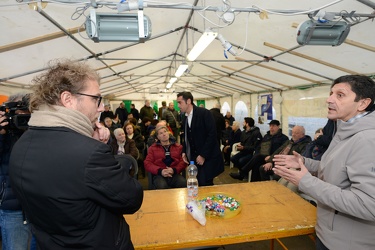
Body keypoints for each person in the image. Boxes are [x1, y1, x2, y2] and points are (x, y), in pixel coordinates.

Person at [9, 59, 143, 249]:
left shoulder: (21, 145)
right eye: (95, 98)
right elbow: (131, 199)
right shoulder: (89, 153)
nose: (101, 108)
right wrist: (100, 151)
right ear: (68, 99)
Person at [273, 75, 375, 250]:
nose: (329, 99)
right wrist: (304, 162)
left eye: (340, 95)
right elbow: (339, 170)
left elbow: (368, 204)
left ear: (363, 103)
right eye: (330, 93)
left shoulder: (367, 139)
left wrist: (306, 181)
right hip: (328, 234)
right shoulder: (344, 130)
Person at [0, 93, 33, 250]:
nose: (24, 119)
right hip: (14, 209)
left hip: (39, 207)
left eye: (27, 115)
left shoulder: (35, 132)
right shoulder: (4, 133)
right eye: (19, 115)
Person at [177, 92, 224, 186]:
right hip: (195, 158)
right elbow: (186, 137)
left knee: (205, 183)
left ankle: (209, 201)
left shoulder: (204, 113)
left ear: (189, 101)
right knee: (198, 182)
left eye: (180, 102)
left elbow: (212, 135)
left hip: (208, 157)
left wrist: (203, 155)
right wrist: (184, 151)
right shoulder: (185, 118)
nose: (178, 105)